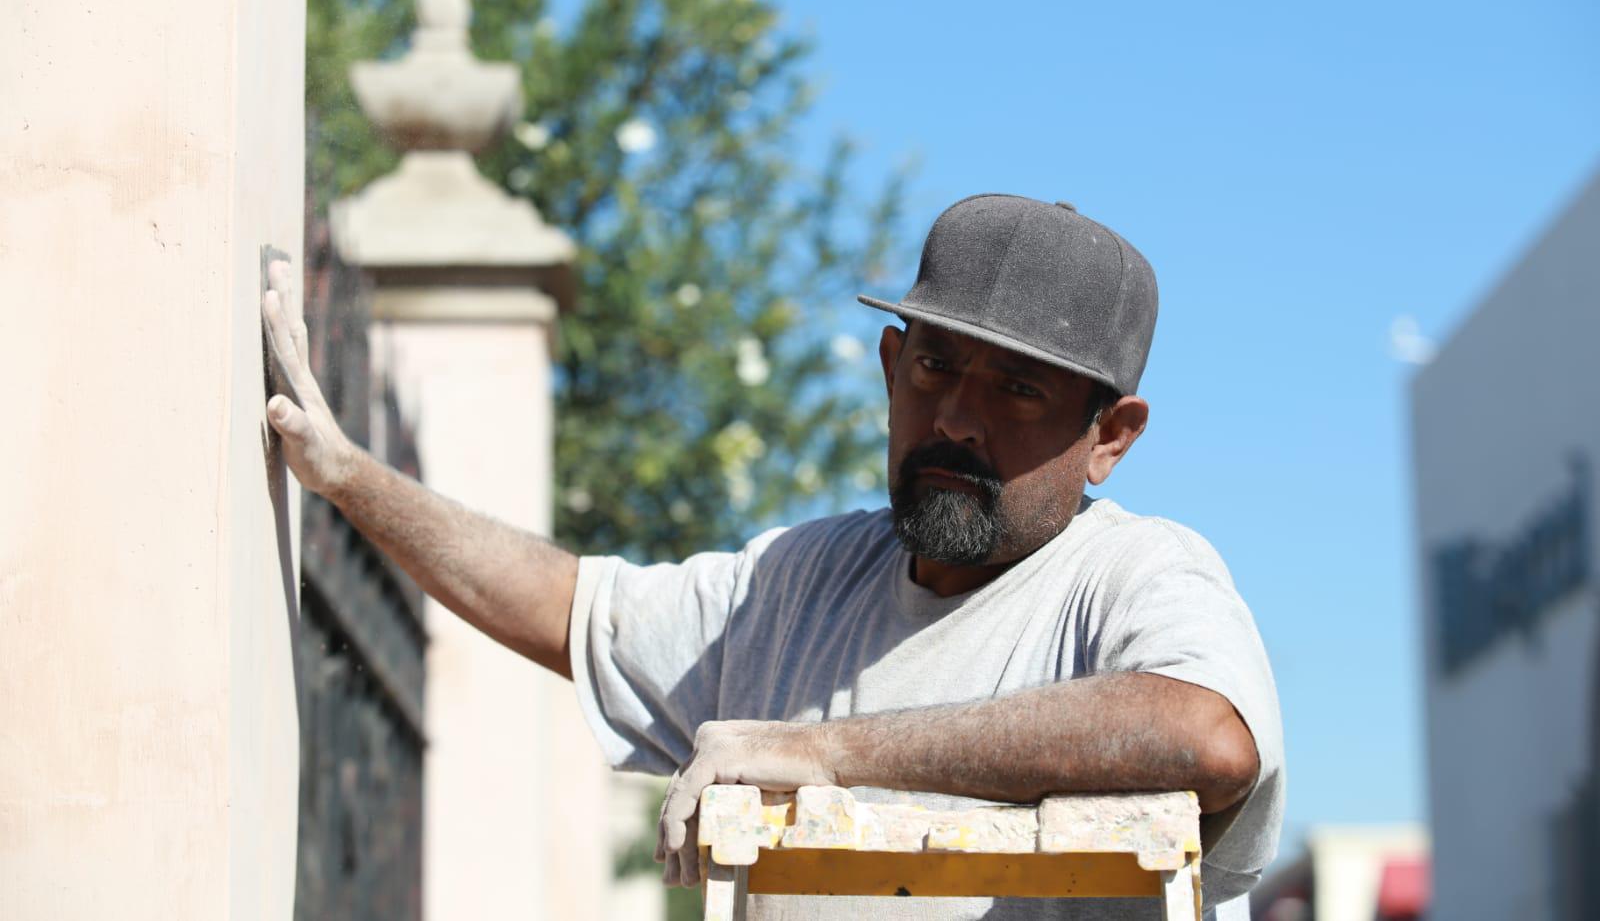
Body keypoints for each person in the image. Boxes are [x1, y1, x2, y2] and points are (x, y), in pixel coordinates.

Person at [263, 193, 1283, 919]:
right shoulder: (801, 584)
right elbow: (572, 604)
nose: (956, 419)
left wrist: (821, 752)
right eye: (934, 365)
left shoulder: (1133, 577)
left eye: (1019, 390)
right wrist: (350, 477)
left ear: (1111, 436)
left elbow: (1208, 736)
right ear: (893, 367)